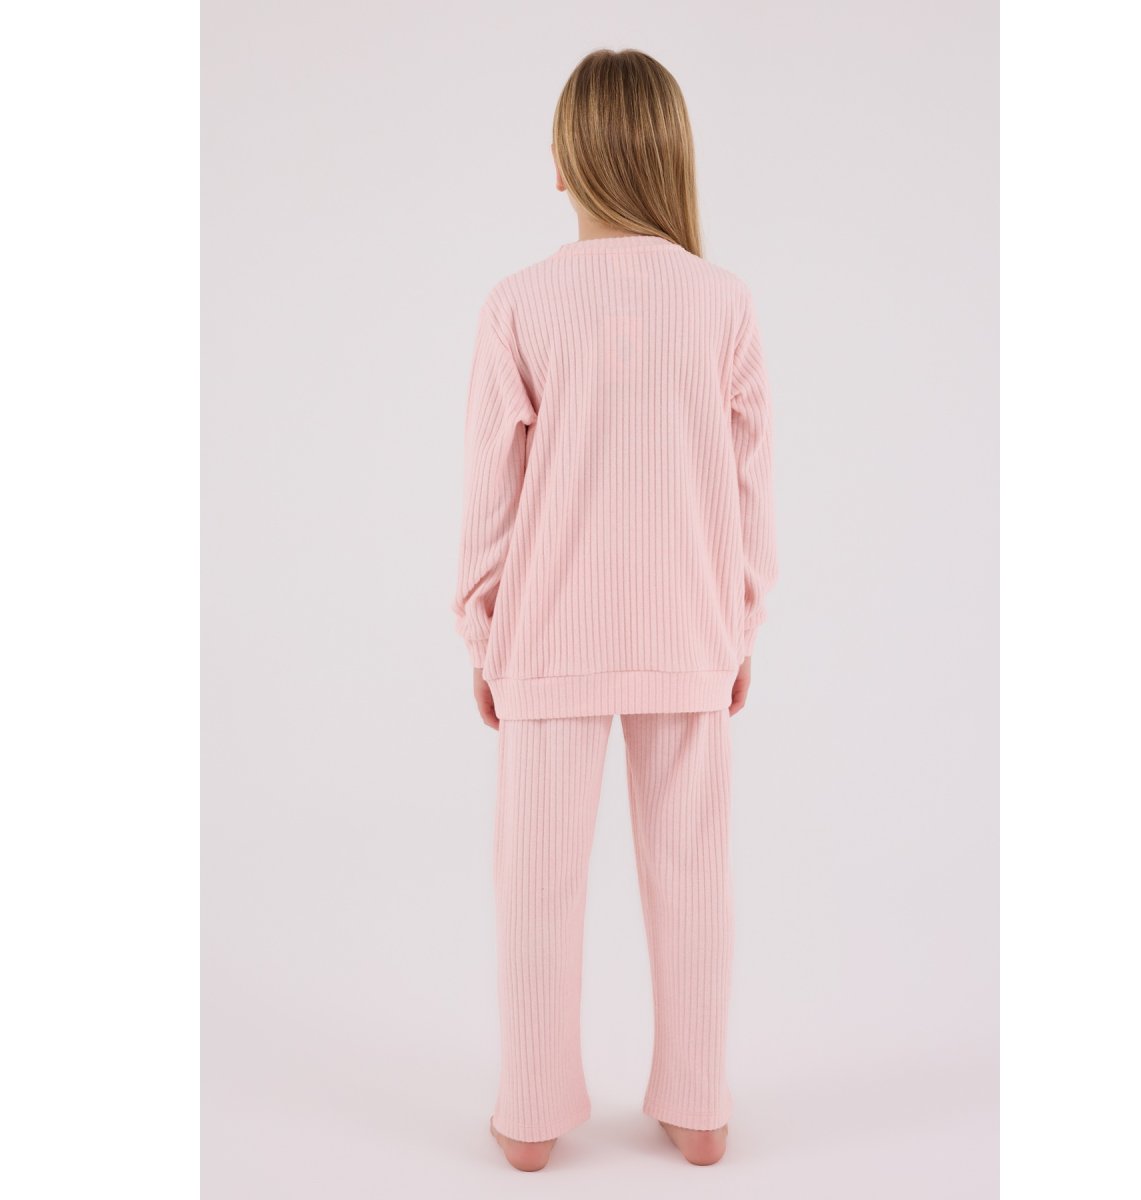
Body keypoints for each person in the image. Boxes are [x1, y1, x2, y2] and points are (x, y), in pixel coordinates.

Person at [450, 47, 779, 1172]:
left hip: (550, 633)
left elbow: (489, 494)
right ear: (668, 152)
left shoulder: (520, 304)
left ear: (565, 161)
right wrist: (738, 625)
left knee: (537, 886)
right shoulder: (724, 304)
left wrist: (485, 634)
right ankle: (698, 1105)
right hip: (688, 631)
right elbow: (751, 487)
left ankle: (532, 1112)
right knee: (694, 876)